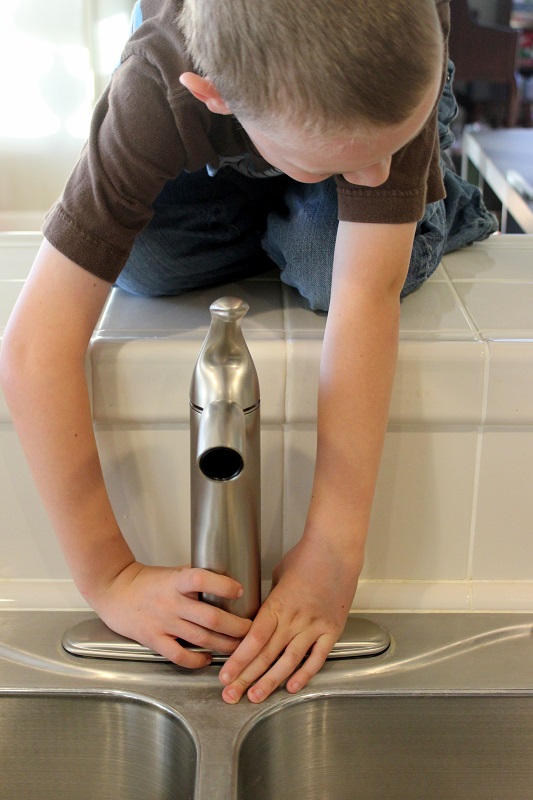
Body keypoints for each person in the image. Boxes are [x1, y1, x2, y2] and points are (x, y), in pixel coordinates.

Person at [0, 0, 497, 705]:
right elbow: (29, 350)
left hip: (341, 92)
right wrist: (108, 576)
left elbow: (366, 297)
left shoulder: (394, 47)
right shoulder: (159, 84)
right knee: (147, 268)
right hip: (209, 101)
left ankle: (408, 200)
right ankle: (287, 192)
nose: (384, 166)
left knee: (328, 267)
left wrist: (333, 550)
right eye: (360, 158)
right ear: (213, 95)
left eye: (392, 146)